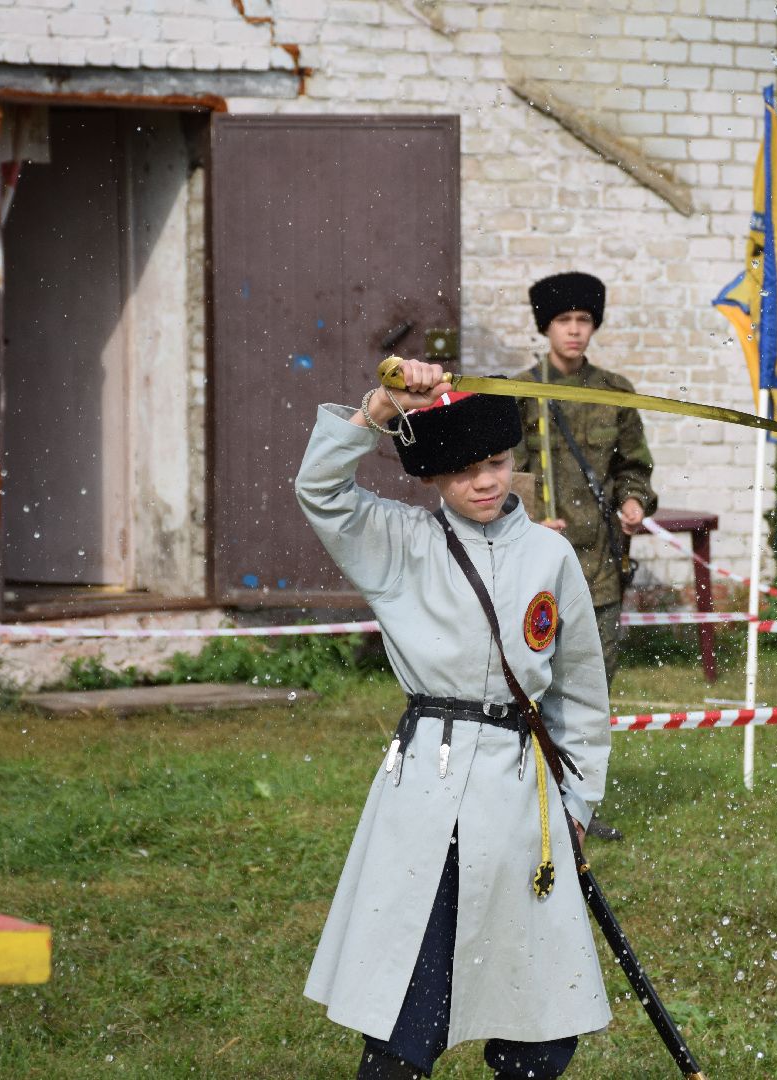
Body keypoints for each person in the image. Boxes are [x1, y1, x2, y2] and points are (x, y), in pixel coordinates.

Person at [297, 358, 612, 1079]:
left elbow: (580, 695)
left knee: (537, 1013)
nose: (486, 482)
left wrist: (578, 802)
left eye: (496, 462)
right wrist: (378, 409)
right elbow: (320, 491)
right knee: (410, 1001)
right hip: (426, 793)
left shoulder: (551, 555)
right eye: (465, 471)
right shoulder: (398, 541)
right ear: (435, 476)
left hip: (523, 799)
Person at [512, 272, 656, 843]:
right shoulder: (520, 392)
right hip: (535, 569)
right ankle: (525, 806)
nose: (574, 331)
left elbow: (634, 468)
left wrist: (633, 503)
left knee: (591, 693)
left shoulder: (615, 393)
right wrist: (528, 516)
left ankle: (577, 808)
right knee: (529, 688)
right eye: (563, 321)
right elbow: (502, 473)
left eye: (584, 321)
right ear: (545, 327)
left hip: (598, 569)